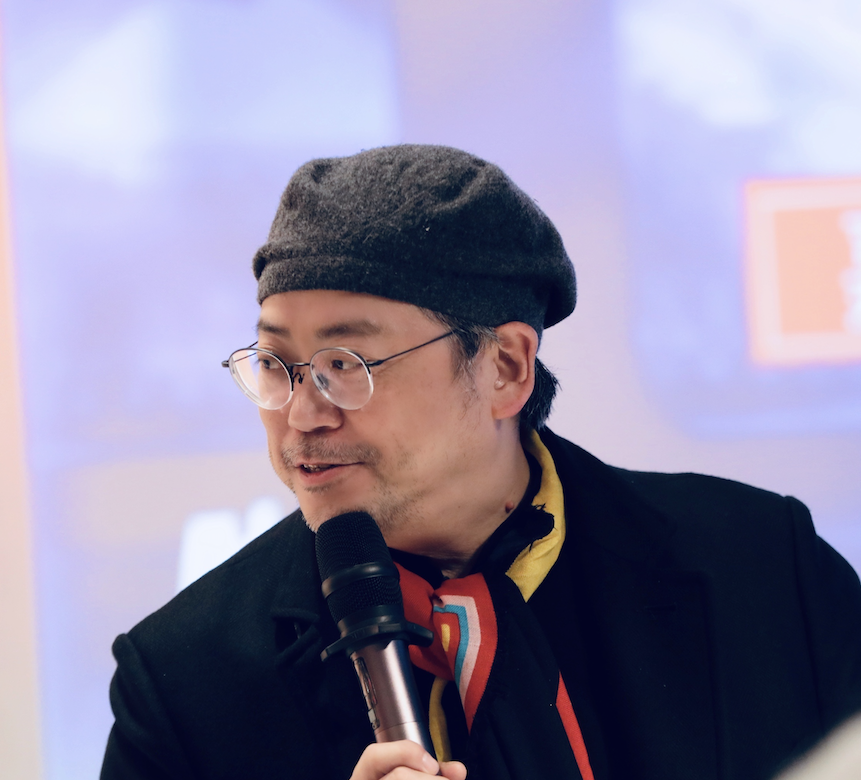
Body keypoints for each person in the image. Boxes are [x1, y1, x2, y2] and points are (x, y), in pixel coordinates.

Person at [100, 145, 861, 780]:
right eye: (277, 364)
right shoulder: (184, 679)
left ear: (504, 368)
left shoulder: (760, 567)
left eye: (346, 364)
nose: (302, 415)